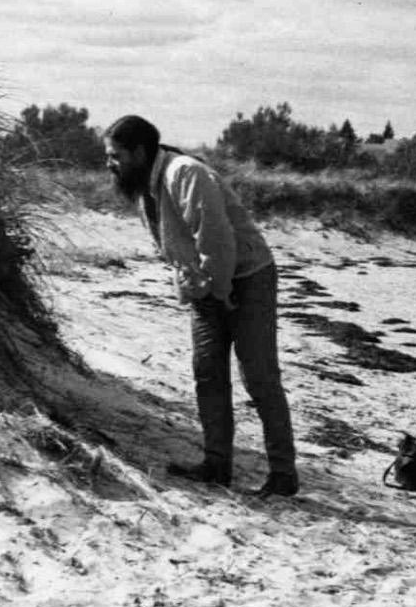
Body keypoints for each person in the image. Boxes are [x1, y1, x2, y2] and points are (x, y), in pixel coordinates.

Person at [104, 115, 298, 497]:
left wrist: (220, 291)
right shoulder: (148, 185)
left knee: (258, 377)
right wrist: (197, 288)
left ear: (140, 152)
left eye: (115, 156)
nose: (110, 164)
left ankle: (283, 475)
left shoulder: (185, 173)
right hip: (207, 284)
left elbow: (216, 239)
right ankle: (216, 465)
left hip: (247, 278)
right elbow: (176, 246)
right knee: (207, 372)